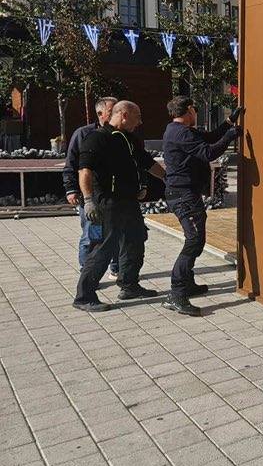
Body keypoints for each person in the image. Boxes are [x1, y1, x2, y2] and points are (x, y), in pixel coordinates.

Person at [73, 101, 165, 312]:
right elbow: (84, 171)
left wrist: (168, 178)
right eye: (137, 117)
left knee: (135, 240)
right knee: (105, 247)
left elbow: (148, 163)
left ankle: (129, 285)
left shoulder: (129, 139)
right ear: (124, 114)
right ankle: (84, 296)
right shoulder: (97, 138)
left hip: (128, 201)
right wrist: (88, 200)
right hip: (107, 202)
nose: (139, 122)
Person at [161, 97, 241, 316]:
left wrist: (228, 123)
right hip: (183, 195)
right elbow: (208, 152)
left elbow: (209, 138)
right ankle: (176, 294)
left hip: (185, 194)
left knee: (196, 239)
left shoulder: (179, 130)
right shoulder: (181, 133)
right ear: (189, 109)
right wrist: (230, 136)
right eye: (195, 109)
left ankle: (187, 284)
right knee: (194, 241)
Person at [63, 97, 118, 277]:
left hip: (115, 195)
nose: (117, 114)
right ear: (100, 113)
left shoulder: (120, 134)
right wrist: (71, 190)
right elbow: (71, 164)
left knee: (117, 233)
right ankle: (87, 272)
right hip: (91, 195)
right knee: (91, 235)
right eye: (112, 111)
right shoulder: (83, 134)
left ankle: (117, 268)